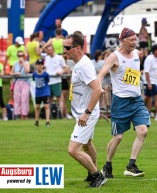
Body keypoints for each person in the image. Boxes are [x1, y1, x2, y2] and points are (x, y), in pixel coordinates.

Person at [98, 27, 150, 177]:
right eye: (131, 40)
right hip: (120, 102)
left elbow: (134, 76)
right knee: (118, 137)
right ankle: (107, 166)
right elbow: (102, 73)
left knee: (143, 131)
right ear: (122, 40)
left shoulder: (136, 55)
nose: (134, 42)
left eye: (135, 39)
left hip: (137, 100)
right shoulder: (114, 57)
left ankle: (131, 166)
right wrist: (99, 86)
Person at [64, 33, 106, 188]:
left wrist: (86, 113)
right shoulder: (79, 63)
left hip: (86, 113)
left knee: (73, 149)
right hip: (82, 112)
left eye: (68, 48)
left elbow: (97, 90)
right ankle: (92, 173)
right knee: (87, 144)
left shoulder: (83, 65)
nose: (65, 51)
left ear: (78, 48)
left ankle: (97, 175)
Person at [44, 45, 66, 117]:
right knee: (49, 99)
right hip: (48, 81)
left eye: (51, 50)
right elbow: (45, 68)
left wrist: (61, 72)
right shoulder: (46, 58)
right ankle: (49, 115)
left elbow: (65, 68)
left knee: (59, 98)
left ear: (53, 50)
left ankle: (61, 115)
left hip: (56, 81)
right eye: (48, 50)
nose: (50, 51)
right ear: (47, 51)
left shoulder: (59, 58)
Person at [10, 51, 30, 120]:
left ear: (24, 56)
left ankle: (24, 115)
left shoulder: (27, 63)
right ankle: (18, 114)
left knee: (24, 97)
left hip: (25, 81)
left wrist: (23, 63)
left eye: (22, 56)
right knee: (17, 98)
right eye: (19, 56)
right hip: (17, 81)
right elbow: (11, 73)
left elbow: (27, 71)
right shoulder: (15, 64)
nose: (20, 57)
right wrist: (15, 73)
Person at [32, 59, 51, 127]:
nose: (40, 66)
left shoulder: (45, 74)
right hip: (38, 92)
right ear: (36, 66)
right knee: (37, 106)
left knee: (46, 106)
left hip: (45, 92)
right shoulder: (34, 74)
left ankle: (47, 121)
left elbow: (48, 81)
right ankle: (36, 121)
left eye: (41, 64)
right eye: (38, 64)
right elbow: (34, 79)